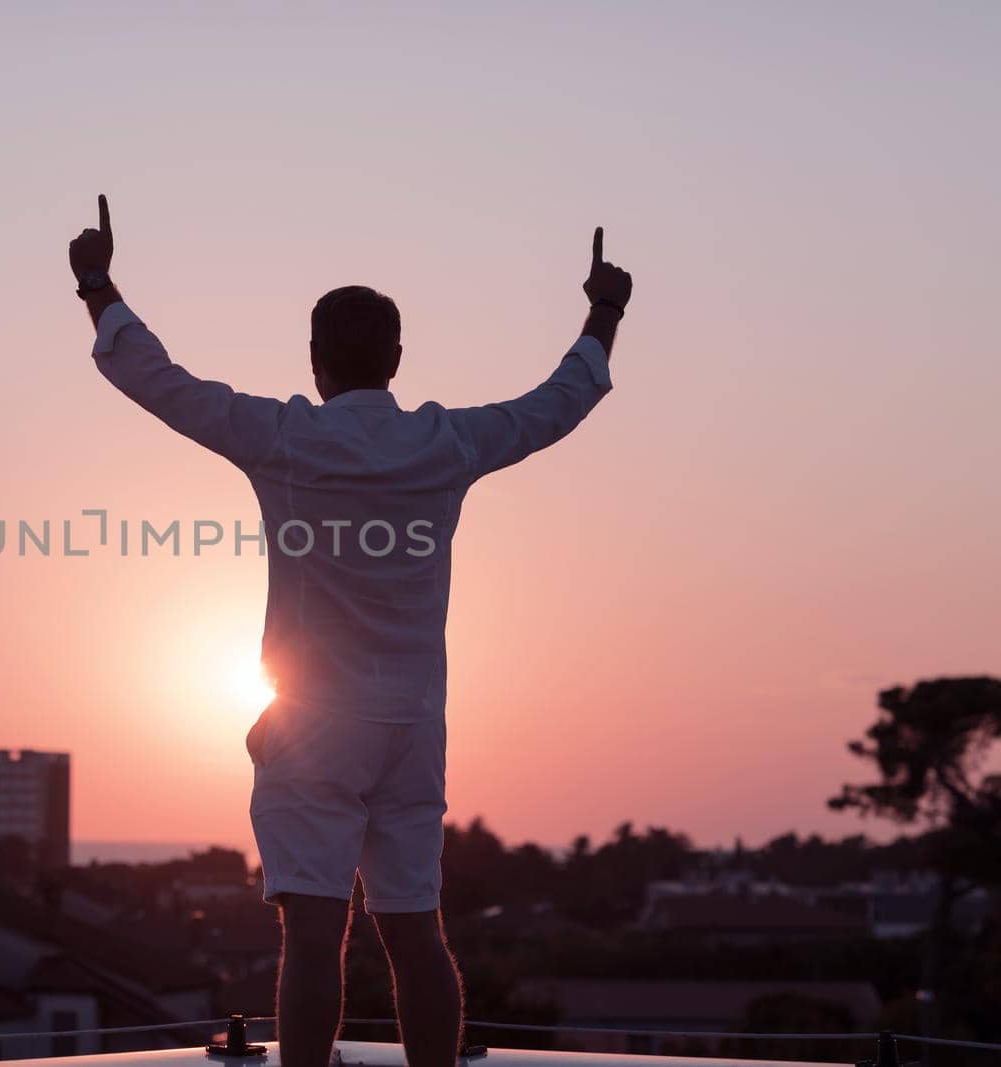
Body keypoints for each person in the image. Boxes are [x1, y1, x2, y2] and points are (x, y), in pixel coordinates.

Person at [68, 194, 632, 1067]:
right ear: (397, 359)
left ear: (314, 360)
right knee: (416, 930)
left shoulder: (286, 437)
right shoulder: (447, 443)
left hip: (313, 722)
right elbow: (557, 402)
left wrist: (99, 287)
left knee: (313, 936)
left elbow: (162, 382)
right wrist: (603, 314)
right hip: (413, 722)